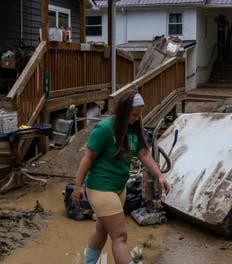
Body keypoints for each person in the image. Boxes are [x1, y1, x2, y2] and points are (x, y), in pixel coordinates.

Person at [72, 91, 170, 264]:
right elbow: (87, 158)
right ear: (123, 110)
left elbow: (144, 154)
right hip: (101, 188)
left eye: (138, 116)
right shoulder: (104, 129)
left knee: (102, 229)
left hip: (119, 188)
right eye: (133, 114)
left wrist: (160, 176)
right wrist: (78, 186)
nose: (135, 119)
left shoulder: (133, 130)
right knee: (120, 236)